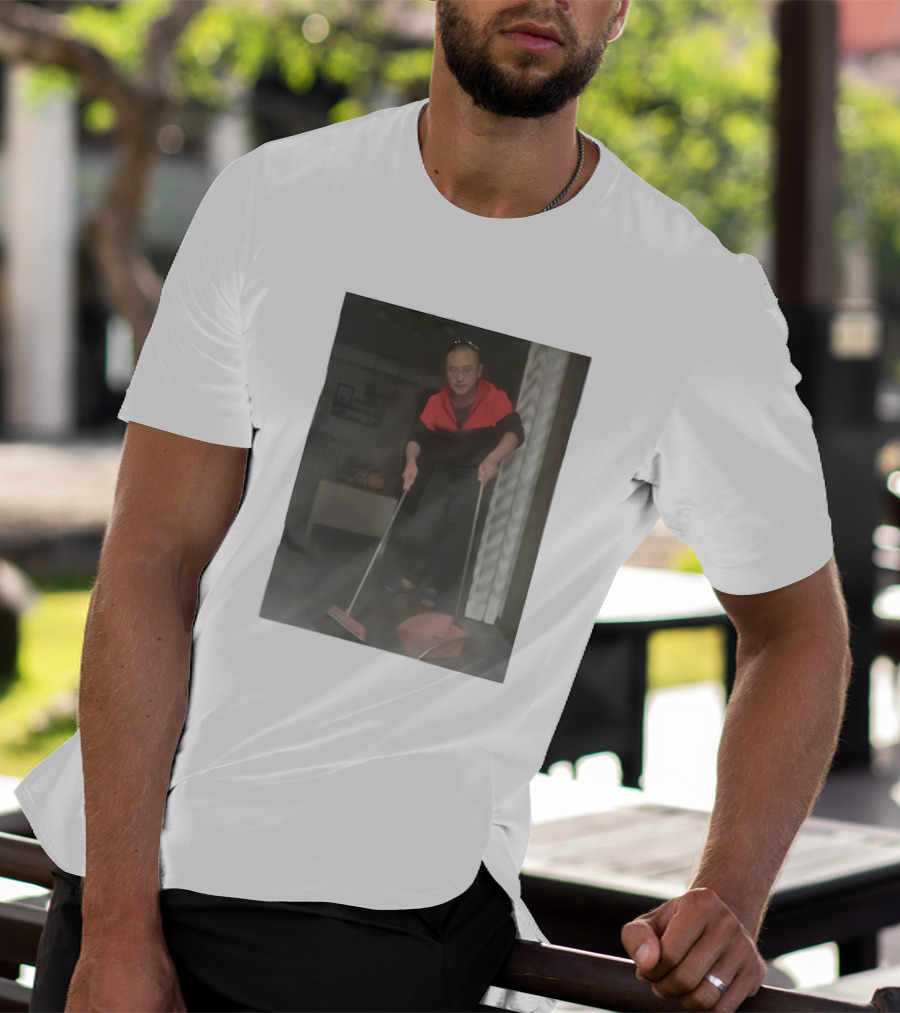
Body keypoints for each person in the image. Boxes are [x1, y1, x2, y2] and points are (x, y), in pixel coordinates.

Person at [16, 2, 851, 1012]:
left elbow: (800, 629)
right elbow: (148, 564)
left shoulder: (693, 300)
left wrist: (729, 891)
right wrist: (114, 925)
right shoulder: (273, 202)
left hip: (371, 927)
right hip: (122, 887)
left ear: (622, 10)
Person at [386, 339, 525, 609]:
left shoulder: (495, 398)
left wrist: (494, 459)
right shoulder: (437, 402)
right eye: (453, 370)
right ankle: (413, 576)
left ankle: (435, 584)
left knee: (456, 533)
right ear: (446, 371)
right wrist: (411, 461)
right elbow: (417, 436)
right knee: (425, 526)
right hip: (442, 472)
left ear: (479, 370)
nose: (459, 377)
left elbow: (514, 432)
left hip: (475, 474)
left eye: (467, 370)